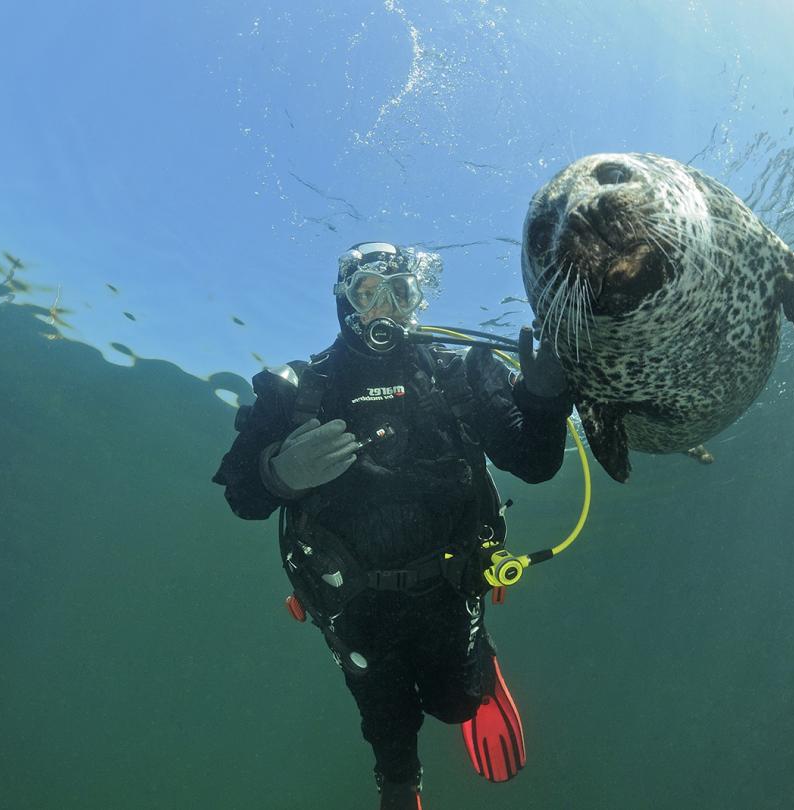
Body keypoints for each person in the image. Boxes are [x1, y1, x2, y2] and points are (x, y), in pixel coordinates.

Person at [213, 242, 574, 809]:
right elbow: (242, 496)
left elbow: (534, 463)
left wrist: (546, 402)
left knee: (455, 702)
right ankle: (401, 783)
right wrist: (278, 473)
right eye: (367, 292)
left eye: (400, 292)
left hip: (451, 590)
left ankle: (480, 673)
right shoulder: (297, 391)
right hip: (351, 604)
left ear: (416, 302)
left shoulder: (457, 372)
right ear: (345, 303)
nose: (384, 307)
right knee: (384, 717)